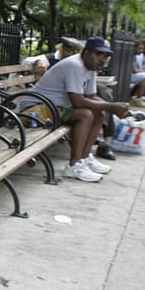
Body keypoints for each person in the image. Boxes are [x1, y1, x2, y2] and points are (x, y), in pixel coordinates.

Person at [27, 36, 132, 182]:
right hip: (36, 109)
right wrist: (111, 107)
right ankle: (74, 165)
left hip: (55, 107)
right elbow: (78, 101)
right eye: (99, 55)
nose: (103, 60)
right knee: (85, 115)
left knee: (98, 113)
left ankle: (84, 157)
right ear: (87, 52)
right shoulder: (75, 65)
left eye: (106, 57)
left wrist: (114, 108)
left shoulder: (91, 67)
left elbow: (91, 96)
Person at [129, 42, 145, 107]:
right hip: (128, 75)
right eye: (139, 48)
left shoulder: (135, 56)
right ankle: (138, 99)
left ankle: (136, 96)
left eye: (142, 49)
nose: (141, 51)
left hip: (129, 74)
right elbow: (134, 70)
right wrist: (142, 72)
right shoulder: (131, 55)